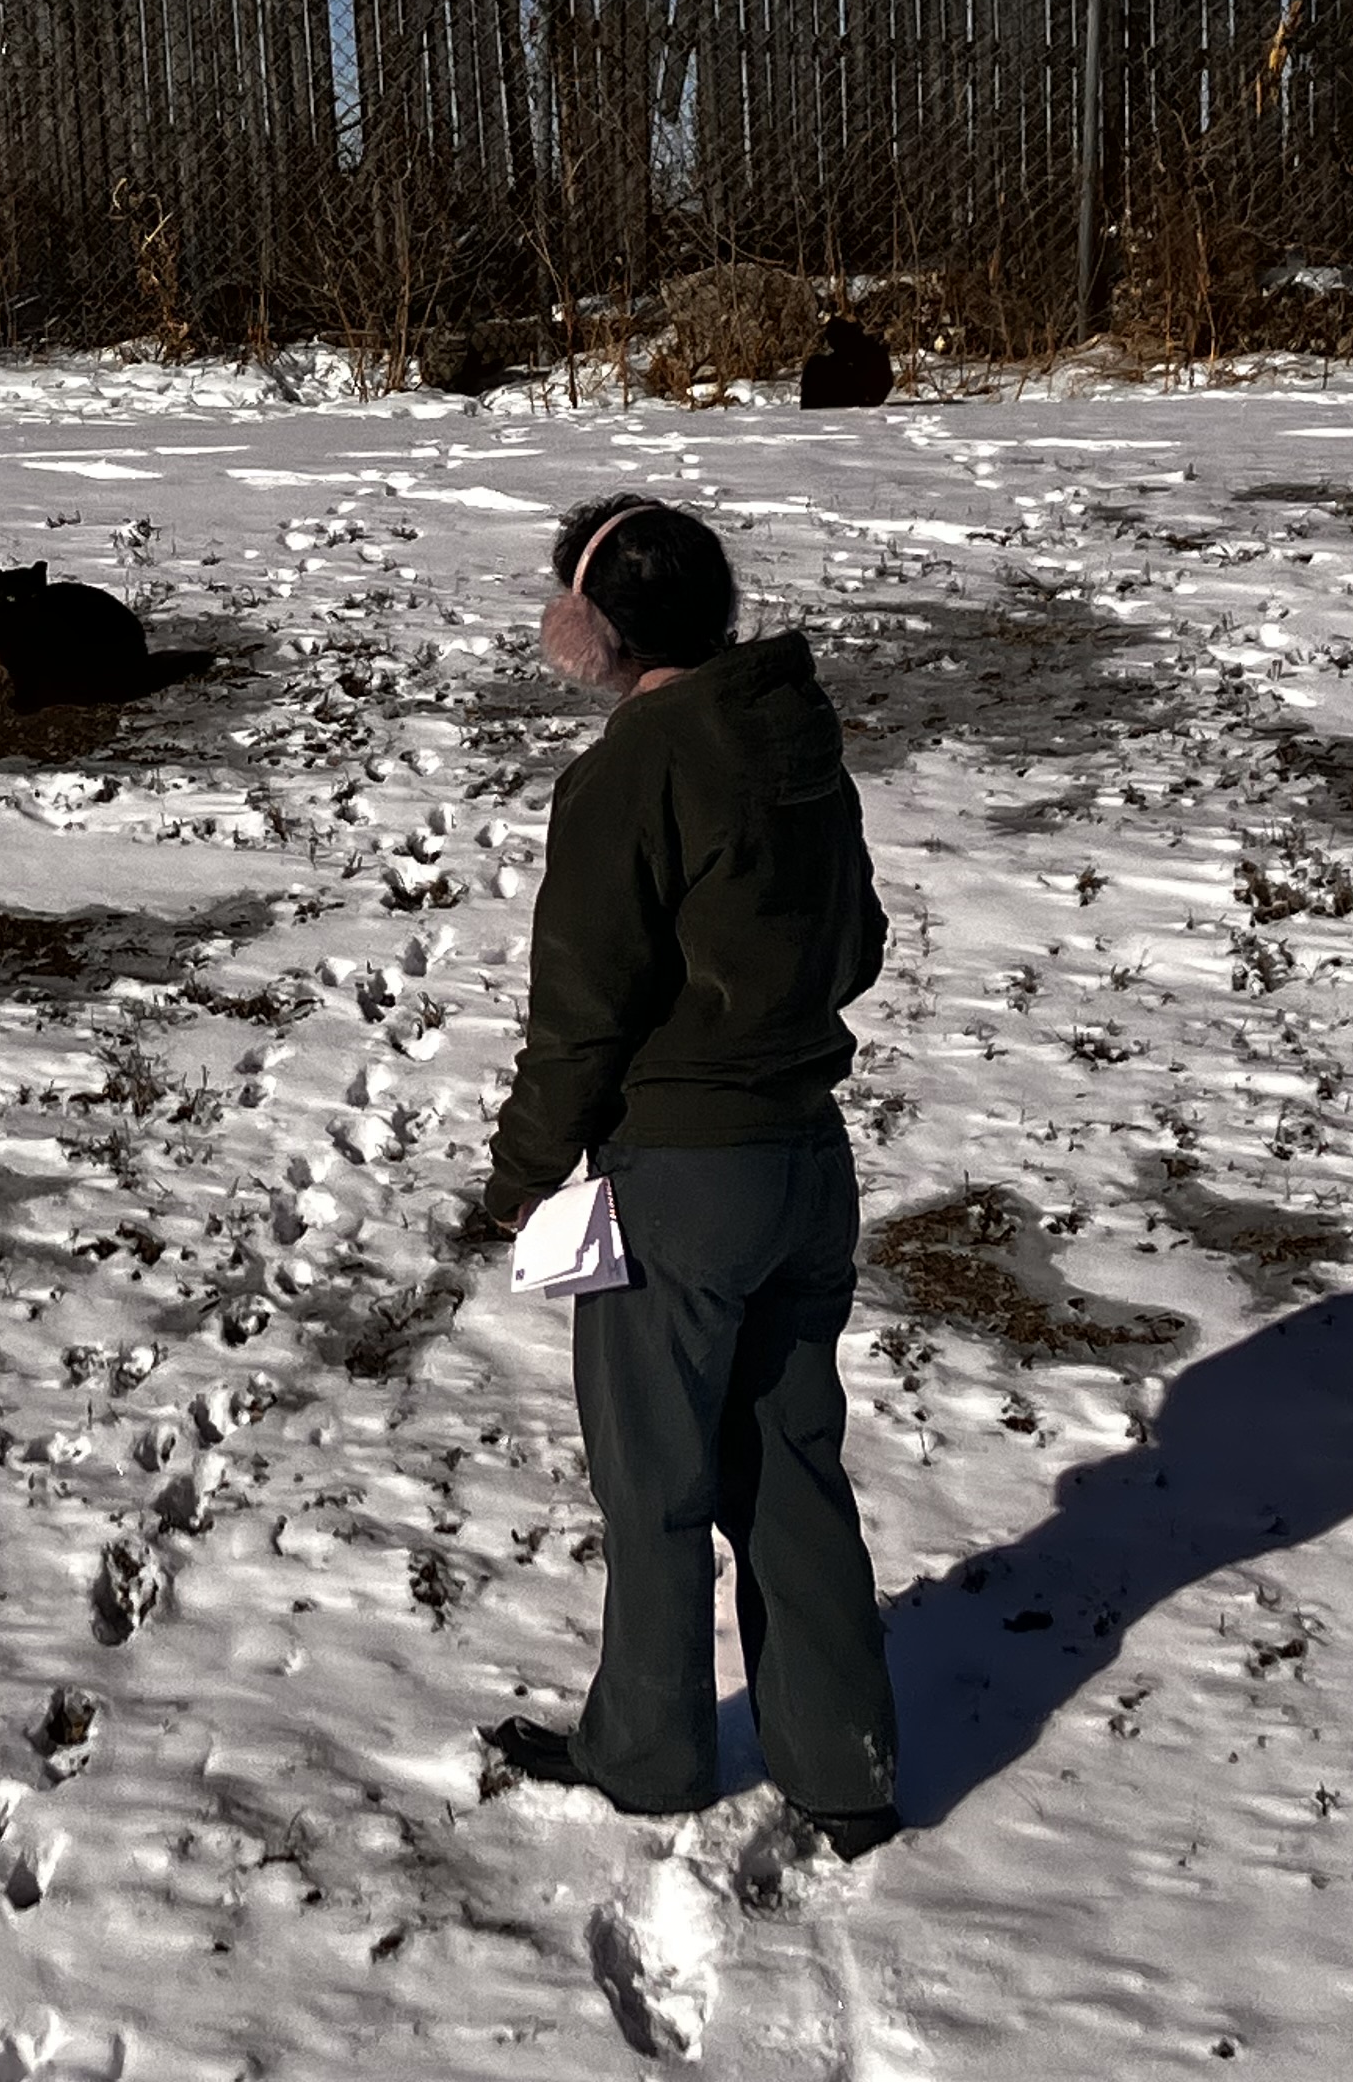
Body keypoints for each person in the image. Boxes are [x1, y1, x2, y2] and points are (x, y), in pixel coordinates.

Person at [465, 494, 902, 1858]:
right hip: (807, 1164)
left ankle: (648, 1755)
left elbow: (581, 1016)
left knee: (653, 1483)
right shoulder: (794, 737)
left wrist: (520, 1177)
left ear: (592, 630)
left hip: (679, 1185)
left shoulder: (632, 770)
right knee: (791, 1466)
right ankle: (845, 1766)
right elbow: (857, 948)